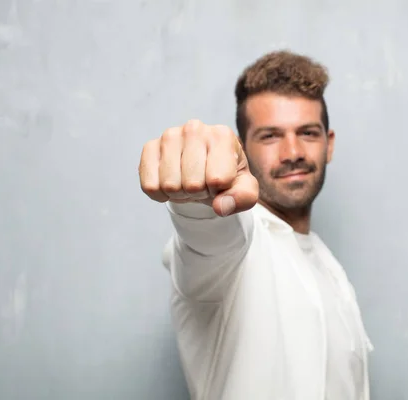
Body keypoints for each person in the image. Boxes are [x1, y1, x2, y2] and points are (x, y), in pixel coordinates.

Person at [138, 50, 374, 400]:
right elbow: (208, 240)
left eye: (308, 133)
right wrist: (199, 197)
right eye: (270, 136)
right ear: (241, 148)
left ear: (329, 144)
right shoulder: (235, 252)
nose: (292, 151)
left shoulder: (329, 268)